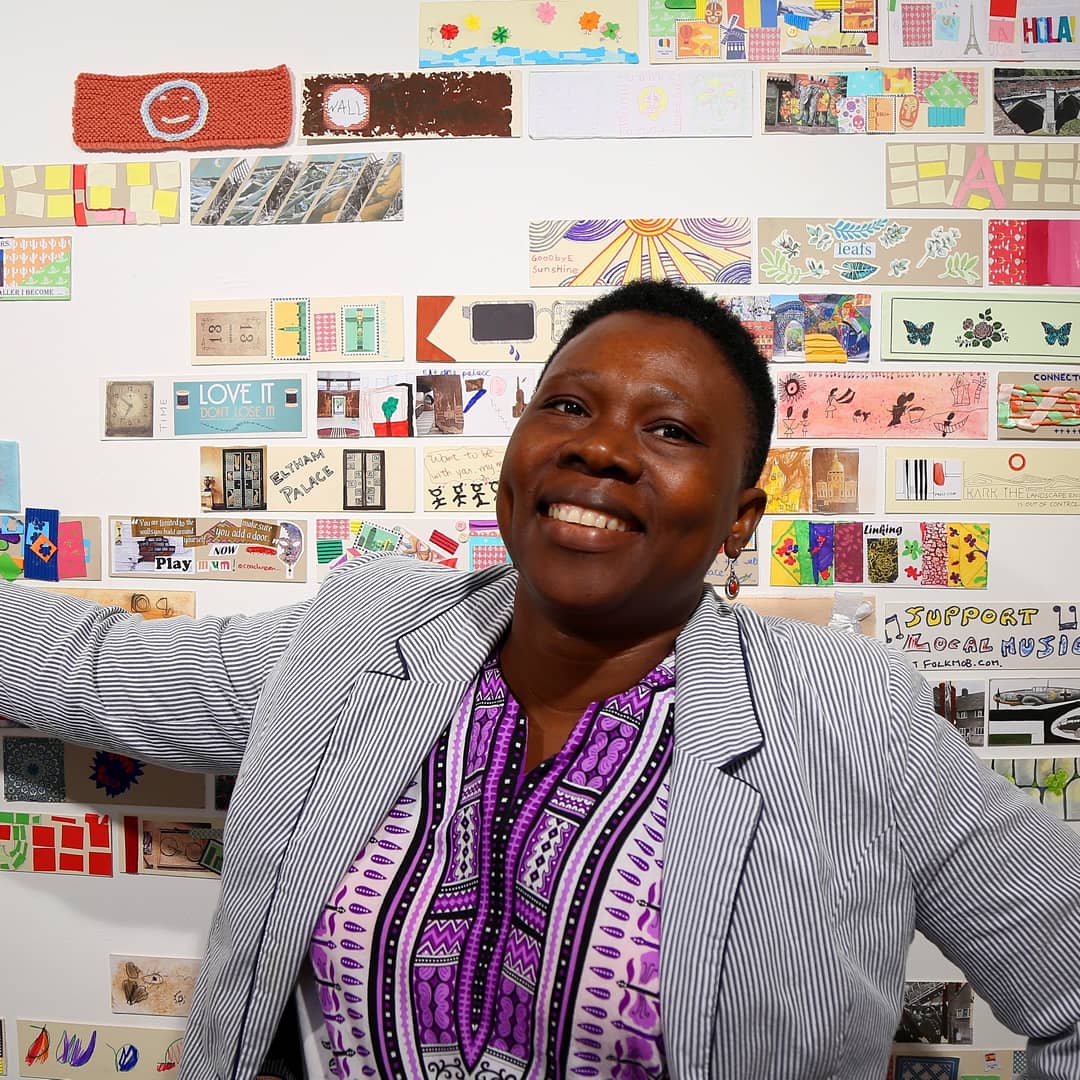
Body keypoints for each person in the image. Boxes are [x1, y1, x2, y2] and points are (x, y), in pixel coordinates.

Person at [2, 279, 1079, 1080]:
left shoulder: (854, 721)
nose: (600, 450)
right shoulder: (360, 637)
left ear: (739, 518)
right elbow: (94, 669)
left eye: (669, 430)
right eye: (567, 407)